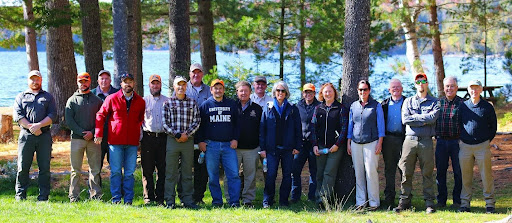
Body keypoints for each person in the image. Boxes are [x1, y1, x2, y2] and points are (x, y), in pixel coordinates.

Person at [94, 73, 145, 205]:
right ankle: (116, 199)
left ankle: (128, 200)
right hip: (115, 142)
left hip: (132, 143)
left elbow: (140, 119)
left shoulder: (140, 101)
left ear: (134, 83)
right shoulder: (112, 98)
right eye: (125, 81)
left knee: (129, 173)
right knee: (116, 172)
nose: (127, 84)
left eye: (130, 81)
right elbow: (100, 115)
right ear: (121, 84)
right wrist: (98, 133)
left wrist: (135, 132)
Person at [394, 73, 440, 214]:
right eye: (418, 81)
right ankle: (404, 201)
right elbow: (405, 119)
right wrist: (424, 119)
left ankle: (429, 203)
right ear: (415, 84)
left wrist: (416, 119)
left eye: (423, 81)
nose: (421, 84)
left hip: (426, 140)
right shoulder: (408, 101)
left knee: (427, 173)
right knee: (406, 171)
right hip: (409, 140)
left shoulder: (435, 102)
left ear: (427, 83)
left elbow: (433, 117)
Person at [13, 70, 57, 201]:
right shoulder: (21, 97)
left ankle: (43, 196)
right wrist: (31, 128)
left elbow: (53, 115)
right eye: (32, 79)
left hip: (44, 136)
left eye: (37, 79)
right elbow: (18, 116)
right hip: (26, 136)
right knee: (23, 166)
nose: (35, 81)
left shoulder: (48, 97)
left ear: (41, 80)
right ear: (28, 81)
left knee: (44, 168)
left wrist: (39, 126)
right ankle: (20, 195)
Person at [198, 79, 241, 207]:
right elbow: (200, 126)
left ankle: (234, 201)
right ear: (211, 90)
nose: (218, 90)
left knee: (233, 174)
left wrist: (235, 139)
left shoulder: (232, 104)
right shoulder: (205, 105)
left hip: (229, 145)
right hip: (211, 145)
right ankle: (217, 201)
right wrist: (201, 141)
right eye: (215, 88)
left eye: (220, 88)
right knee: (213, 176)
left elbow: (237, 124)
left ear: (224, 89)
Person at [259, 81, 302, 208]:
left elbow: (298, 129)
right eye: (278, 90)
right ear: (274, 92)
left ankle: (283, 201)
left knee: (287, 175)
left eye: (283, 91)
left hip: (288, 149)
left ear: (286, 93)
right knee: (271, 175)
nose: (280, 93)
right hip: (271, 149)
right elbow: (262, 129)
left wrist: (297, 146)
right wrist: (262, 148)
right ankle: (268, 201)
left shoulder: (293, 109)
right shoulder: (268, 107)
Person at [458, 80, 497, 214]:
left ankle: (490, 204)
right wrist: (462, 140)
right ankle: (465, 204)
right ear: (468, 90)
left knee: (486, 176)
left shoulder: (487, 107)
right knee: (466, 177)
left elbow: (493, 127)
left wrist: (485, 141)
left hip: (482, 146)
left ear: (481, 90)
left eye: (477, 88)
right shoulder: (463, 106)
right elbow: (458, 124)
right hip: (465, 147)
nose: (474, 91)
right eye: (472, 88)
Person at [162, 76, 201, 209]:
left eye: (183, 85)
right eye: (178, 85)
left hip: (188, 141)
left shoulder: (192, 102)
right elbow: (164, 123)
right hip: (172, 140)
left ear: (186, 87)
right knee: (171, 172)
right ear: (174, 87)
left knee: (187, 172)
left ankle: (187, 200)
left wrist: (186, 134)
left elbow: (197, 121)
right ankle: (170, 200)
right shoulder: (168, 103)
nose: (181, 87)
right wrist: (177, 134)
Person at [65, 72, 103, 202]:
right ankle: (74, 197)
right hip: (77, 139)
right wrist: (82, 132)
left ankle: (96, 196)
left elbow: (101, 119)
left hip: (93, 140)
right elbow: (69, 121)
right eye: (81, 81)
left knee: (95, 169)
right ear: (77, 82)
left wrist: (92, 132)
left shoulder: (97, 100)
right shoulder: (72, 100)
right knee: (75, 170)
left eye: (85, 81)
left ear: (90, 82)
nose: (83, 84)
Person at [347, 80, 385, 210]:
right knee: (359, 173)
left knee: (371, 173)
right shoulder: (353, 106)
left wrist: (380, 142)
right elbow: (350, 125)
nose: (363, 92)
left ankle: (374, 203)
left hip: (371, 142)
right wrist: (348, 142)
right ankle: (360, 202)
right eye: (360, 90)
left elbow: (381, 125)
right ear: (357, 91)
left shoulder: (376, 105)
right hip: (355, 143)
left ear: (369, 90)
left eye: (365, 89)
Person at [310, 83, 349, 207]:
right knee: (320, 173)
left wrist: (338, 144)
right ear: (322, 94)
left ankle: (324, 200)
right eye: (325, 92)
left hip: (335, 147)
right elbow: (313, 128)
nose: (328, 94)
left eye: (330, 91)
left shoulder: (340, 108)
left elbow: (344, 128)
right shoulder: (318, 108)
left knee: (329, 173)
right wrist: (315, 145)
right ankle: (318, 198)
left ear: (334, 93)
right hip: (320, 146)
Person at [225, 81, 262, 207]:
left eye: (246, 90)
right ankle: (231, 199)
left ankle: (247, 200)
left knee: (250, 176)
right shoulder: (231, 106)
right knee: (231, 174)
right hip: (232, 148)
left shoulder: (257, 108)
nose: (243, 93)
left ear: (250, 92)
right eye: (241, 90)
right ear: (237, 92)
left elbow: (261, 129)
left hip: (252, 148)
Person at [435, 76, 463, 209]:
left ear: (456, 88)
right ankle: (441, 200)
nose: (449, 88)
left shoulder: (463, 104)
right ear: (443, 88)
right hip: (441, 142)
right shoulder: (438, 103)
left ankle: (457, 200)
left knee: (458, 172)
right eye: (447, 86)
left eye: (452, 86)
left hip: (457, 143)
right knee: (440, 172)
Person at [186, 63, 212, 205]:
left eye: (199, 72)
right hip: (186, 136)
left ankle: (198, 197)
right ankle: (186, 196)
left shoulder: (209, 90)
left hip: (204, 136)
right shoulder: (183, 88)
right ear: (190, 74)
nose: (196, 75)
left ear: (202, 74)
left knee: (202, 169)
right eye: (193, 72)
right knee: (184, 168)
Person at [140, 74, 168, 205]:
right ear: (149, 85)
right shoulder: (143, 101)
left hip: (163, 138)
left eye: (157, 83)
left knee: (162, 169)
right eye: (153, 83)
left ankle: (160, 197)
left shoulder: (167, 101)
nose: (155, 86)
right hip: (148, 138)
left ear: (161, 85)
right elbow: (139, 122)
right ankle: (148, 197)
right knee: (147, 169)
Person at [292, 83, 321, 203]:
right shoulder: (297, 106)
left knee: (314, 171)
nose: (308, 94)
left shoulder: (319, 106)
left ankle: (312, 197)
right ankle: (295, 197)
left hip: (314, 144)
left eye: (311, 92)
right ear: (303, 93)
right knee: (295, 171)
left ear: (314, 93)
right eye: (306, 92)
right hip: (300, 144)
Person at [381, 78, 407, 208]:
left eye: (398, 87)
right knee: (389, 170)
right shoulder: (384, 105)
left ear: (402, 89)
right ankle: (389, 199)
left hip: (404, 139)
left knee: (405, 169)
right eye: (393, 87)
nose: (396, 89)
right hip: (389, 140)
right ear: (389, 90)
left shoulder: (408, 102)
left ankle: (405, 199)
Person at [91, 70, 119, 173]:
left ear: (110, 80)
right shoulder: (92, 94)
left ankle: (116, 188)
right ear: (98, 80)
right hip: (98, 134)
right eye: (102, 78)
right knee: (96, 164)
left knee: (115, 164)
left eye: (106, 78)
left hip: (114, 134)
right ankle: (95, 188)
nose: (104, 81)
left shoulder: (117, 93)